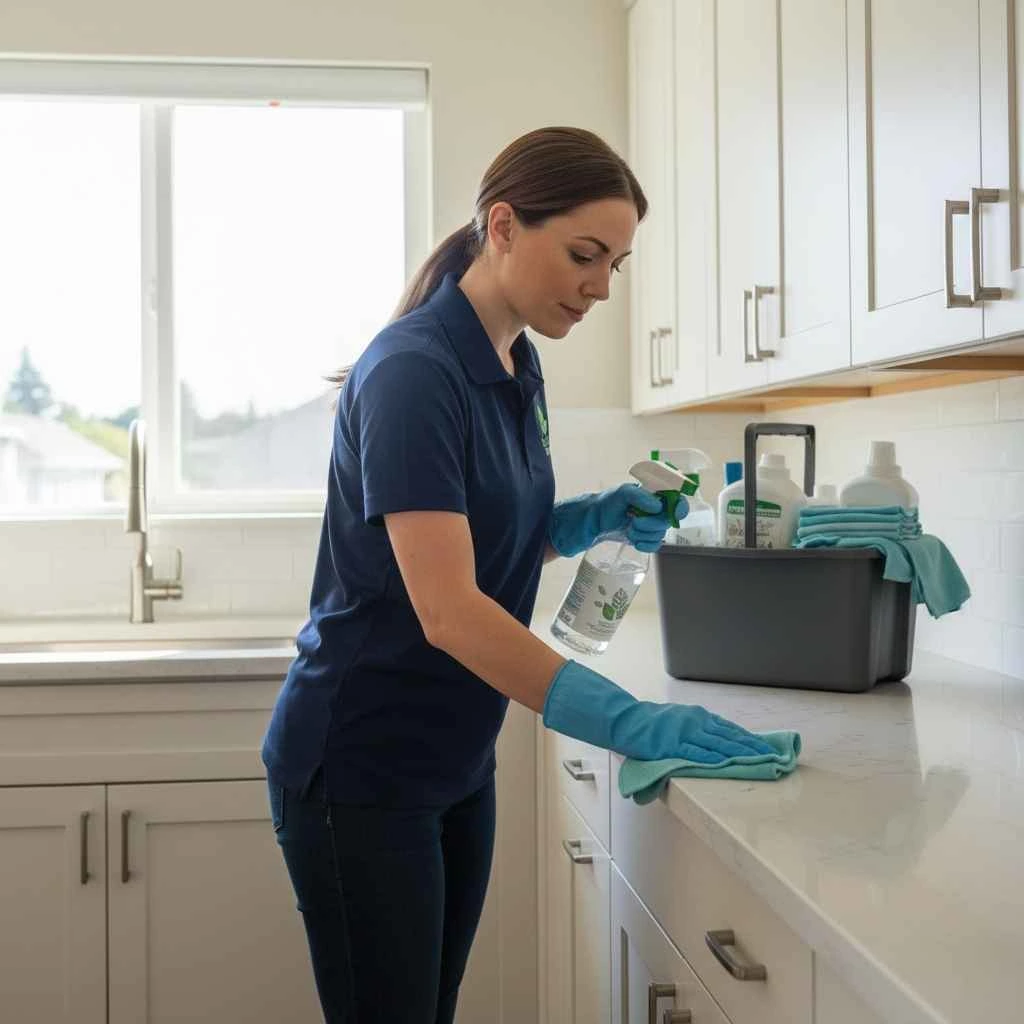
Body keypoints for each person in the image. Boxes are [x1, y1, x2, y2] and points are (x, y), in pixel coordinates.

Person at [261, 126, 774, 1024]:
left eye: (615, 264)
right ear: (502, 227)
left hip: (456, 758)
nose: (601, 286)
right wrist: (627, 720)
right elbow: (450, 610)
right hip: (363, 765)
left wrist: (591, 517)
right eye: (584, 254)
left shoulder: (514, 361)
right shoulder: (413, 373)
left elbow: (492, 538)